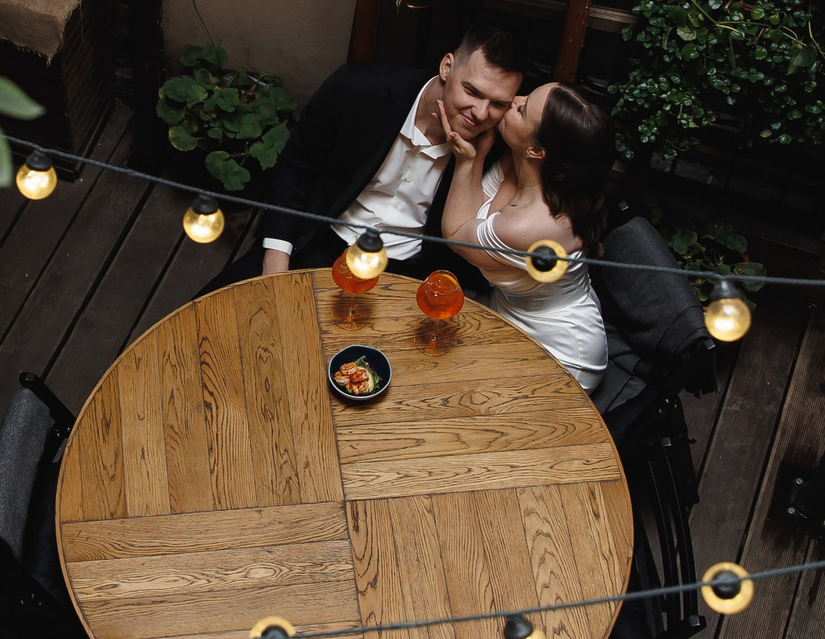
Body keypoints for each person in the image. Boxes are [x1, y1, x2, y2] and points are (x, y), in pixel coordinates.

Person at [205, 20, 528, 295]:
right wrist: (276, 260)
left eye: (498, 103)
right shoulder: (359, 89)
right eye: (472, 92)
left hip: (406, 279)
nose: (481, 113)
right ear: (447, 67)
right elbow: (298, 167)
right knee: (206, 325)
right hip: (316, 244)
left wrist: (470, 163)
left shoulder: (497, 145)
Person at [444, 81, 616, 391]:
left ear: (537, 149)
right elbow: (476, 214)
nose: (514, 100)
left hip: (560, 355)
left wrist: (468, 161)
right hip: (509, 314)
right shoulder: (534, 169)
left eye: (522, 109)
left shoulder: (533, 227)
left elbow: (457, 232)